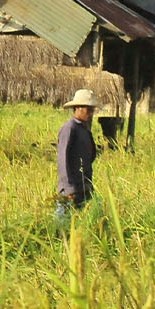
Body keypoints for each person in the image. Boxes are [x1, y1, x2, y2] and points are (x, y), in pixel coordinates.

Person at [55, 89, 99, 219]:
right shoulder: (69, 128)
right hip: (70, 188)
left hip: (83, 187)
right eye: (88, 110)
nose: (91, 113)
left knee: (82, 222)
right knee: (62, 223)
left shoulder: (84, 129)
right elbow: (63, 160)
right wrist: (69, 188)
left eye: (92, 110)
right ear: (78, 108)